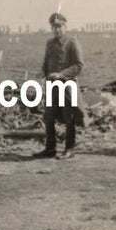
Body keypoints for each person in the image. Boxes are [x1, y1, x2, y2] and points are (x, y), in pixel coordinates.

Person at [34, 12, 87, 160]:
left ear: (65, 26)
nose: (56, 30)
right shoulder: (50, 43)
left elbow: (79, 65)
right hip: (51, 85)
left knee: (68, 117)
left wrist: (61, 74)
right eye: (53, 27)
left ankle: (69, 149)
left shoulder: (72, 42)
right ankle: (50, 149)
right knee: (49, 116)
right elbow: (47, 61)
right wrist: (42, 72)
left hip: (67, 85)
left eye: (59, 26)